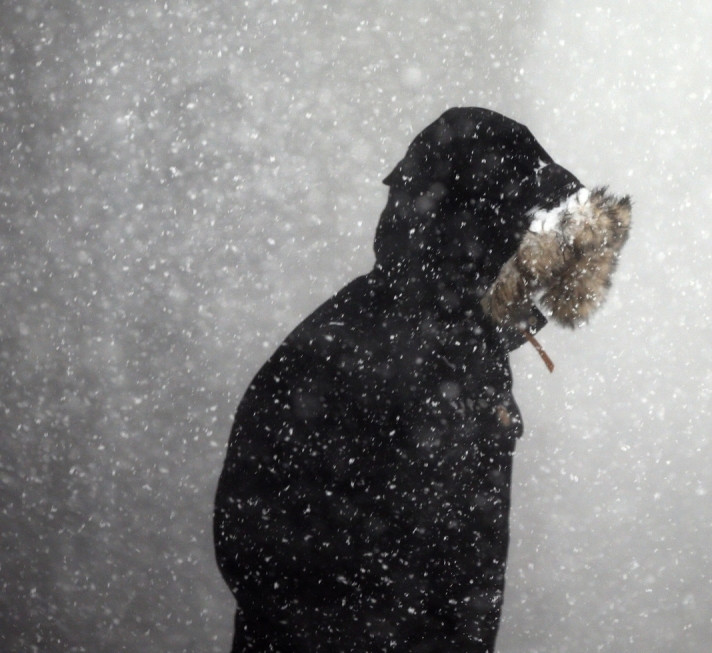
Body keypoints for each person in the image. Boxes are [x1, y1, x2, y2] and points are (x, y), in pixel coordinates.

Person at [213, 107, 630, 652]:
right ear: (478, 237)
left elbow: (461, 569)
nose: (532, 287)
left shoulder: (472, 360)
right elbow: (252, 530)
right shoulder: (354, 341)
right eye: (525, 263)